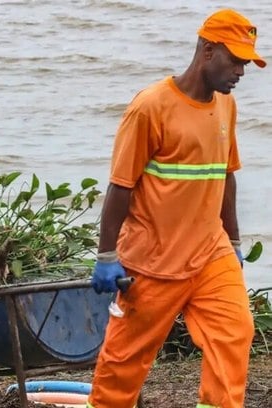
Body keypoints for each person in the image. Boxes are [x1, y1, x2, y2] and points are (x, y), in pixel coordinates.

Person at [87, 9, 265, 408]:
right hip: (154, 261)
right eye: (234, 59)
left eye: (245, 62)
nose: (240, 70)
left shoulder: (225, 106)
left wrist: (232, 241)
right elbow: (120, 186)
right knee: (123, 366)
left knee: (235, 334)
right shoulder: (151, 107)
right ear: (206, 49)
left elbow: (226, 176)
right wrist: (106, 255)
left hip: (209, 253)